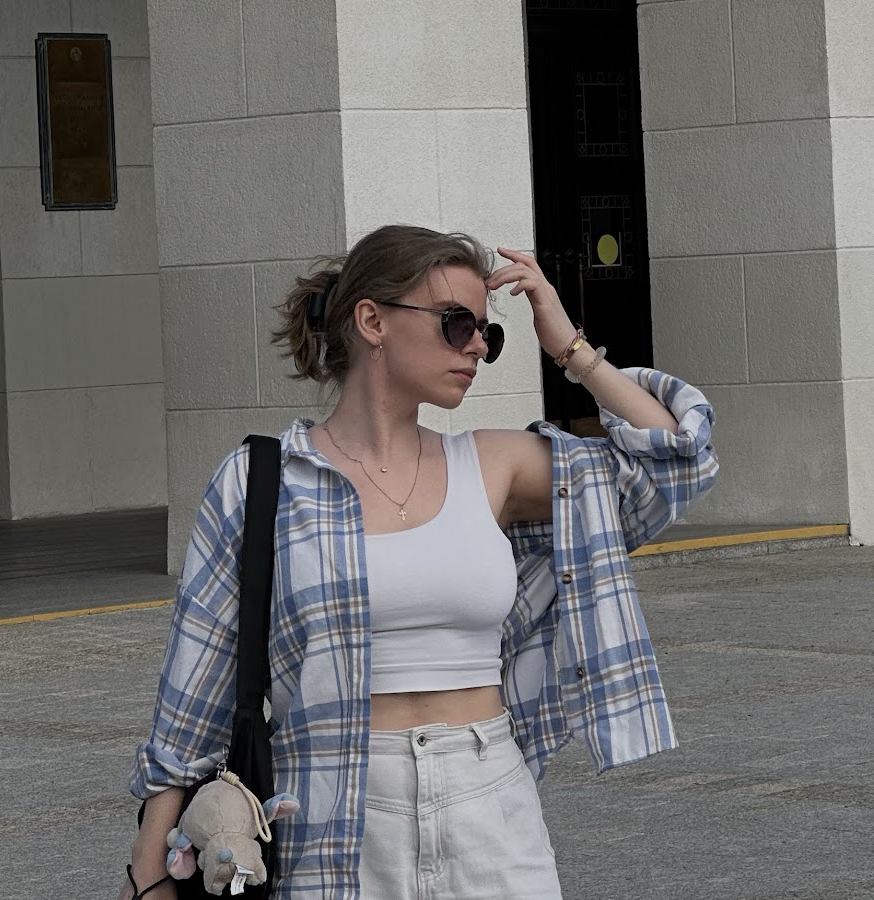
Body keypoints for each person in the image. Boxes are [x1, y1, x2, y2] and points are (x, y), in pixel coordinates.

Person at [120, 224, 718, 899]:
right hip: (330, 812)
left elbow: (678, 462)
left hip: (489, 797)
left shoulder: (493, 465)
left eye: (487, 334)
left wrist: (569, 347)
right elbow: (195, 688)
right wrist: (147, 873)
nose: (476, 347)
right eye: (456, 323)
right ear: (372, 321)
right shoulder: (263, 480)